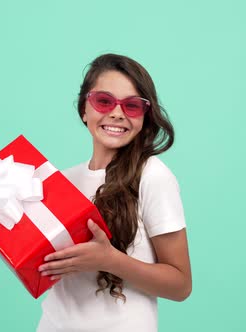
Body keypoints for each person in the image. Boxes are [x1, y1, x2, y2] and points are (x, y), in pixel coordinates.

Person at [36, 54, 192, 332]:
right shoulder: (61, 182)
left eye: (132, 106)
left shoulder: (152, 176)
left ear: (145, 116)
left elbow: (180, 285)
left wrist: (110, 261)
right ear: (84, 109)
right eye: (104, 101)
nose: (117, 113)